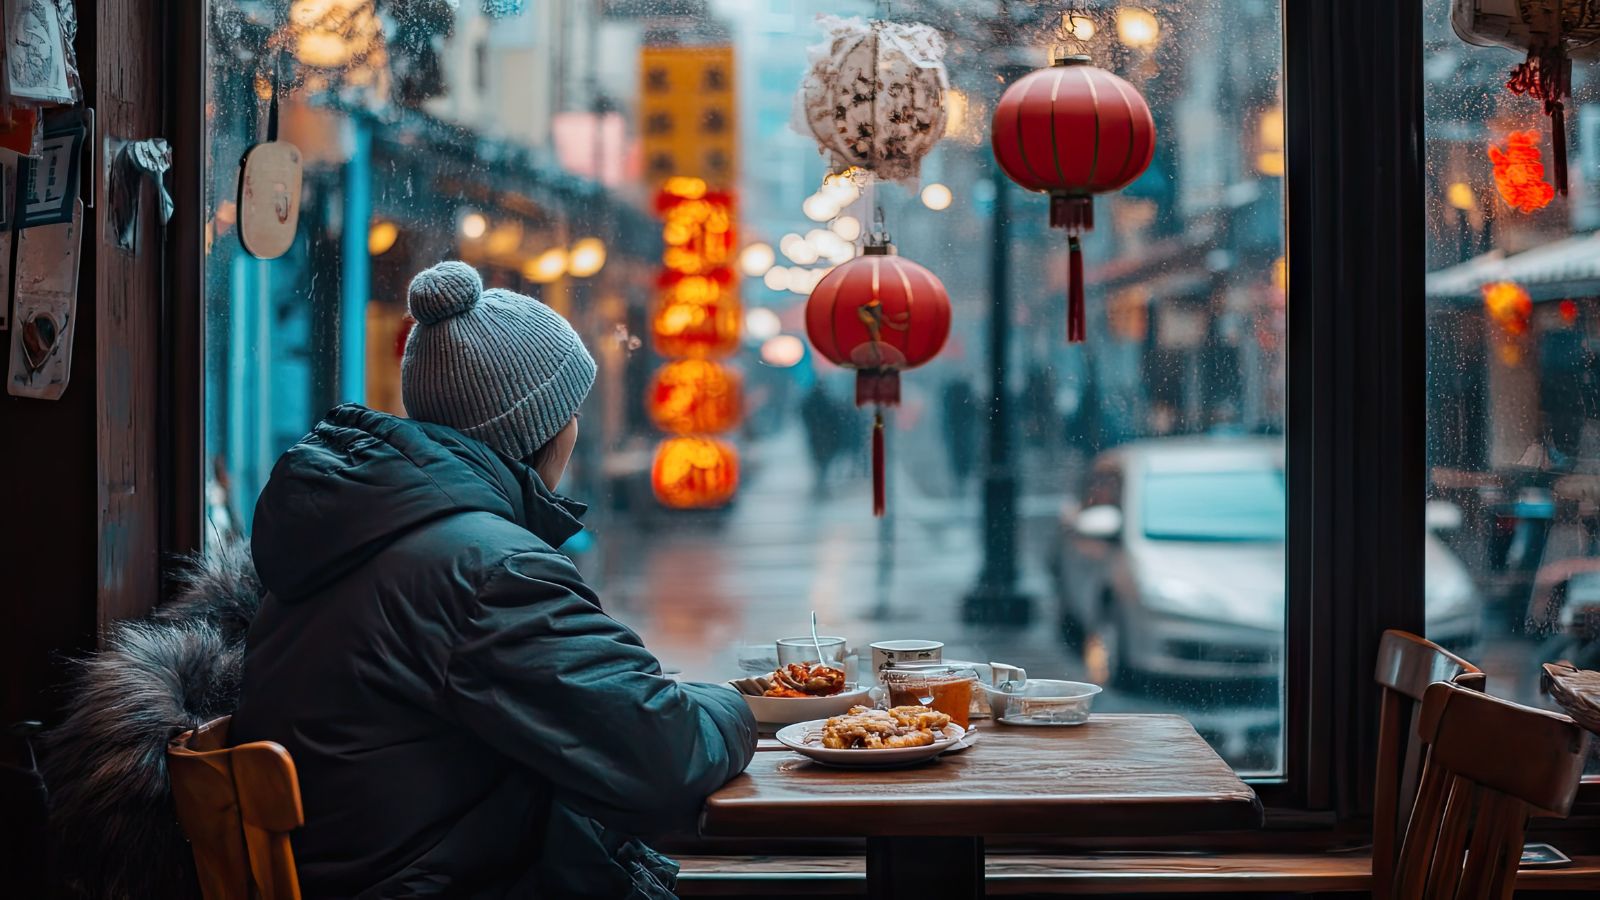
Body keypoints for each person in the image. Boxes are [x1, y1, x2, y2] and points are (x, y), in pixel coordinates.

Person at [231, 262, 757, 899]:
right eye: (573, 411)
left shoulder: (367, 537)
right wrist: (744, 705)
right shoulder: (487, 570)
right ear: (540, 430)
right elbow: (665, 754)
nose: (578, 429)